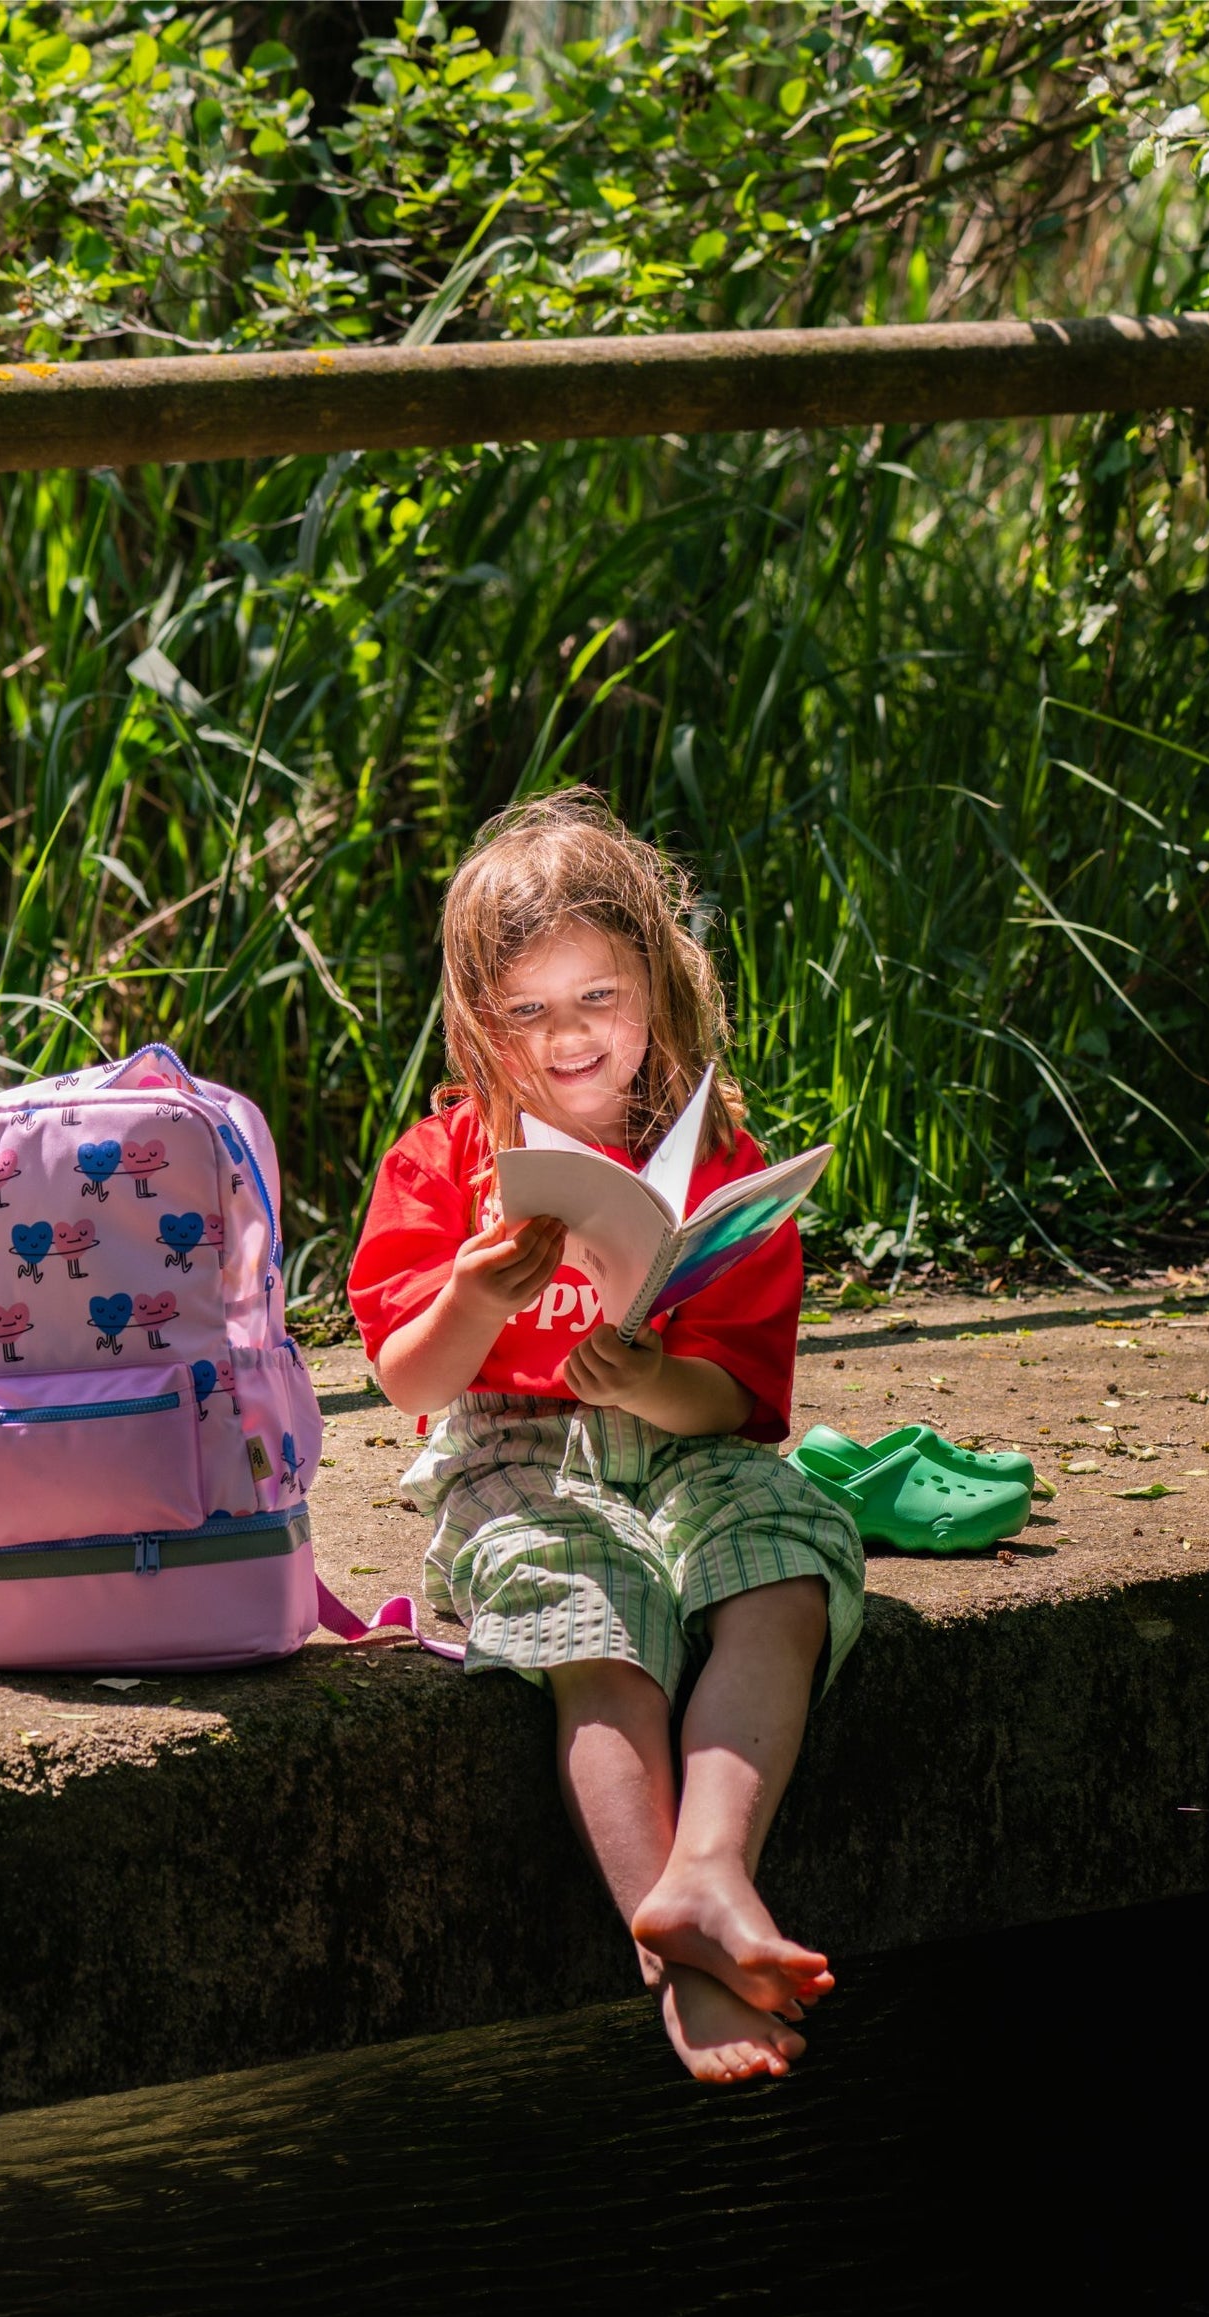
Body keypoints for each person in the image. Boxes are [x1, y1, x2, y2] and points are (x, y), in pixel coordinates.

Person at [348, 788, 864, 2085]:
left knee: (789, 1552)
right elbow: (408, 1378)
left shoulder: (713, 1160)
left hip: (677, 1437)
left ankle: (709, 1869)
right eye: (525, 1012)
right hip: (516, 1446)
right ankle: (680, 1960)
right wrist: (474, 1295)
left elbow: (736, 1402)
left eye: (598, 999)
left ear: (660, 985)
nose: (568, 1038)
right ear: (479, 1022)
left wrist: (654, 1379)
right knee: (590, 1603)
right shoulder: (444, 1160)